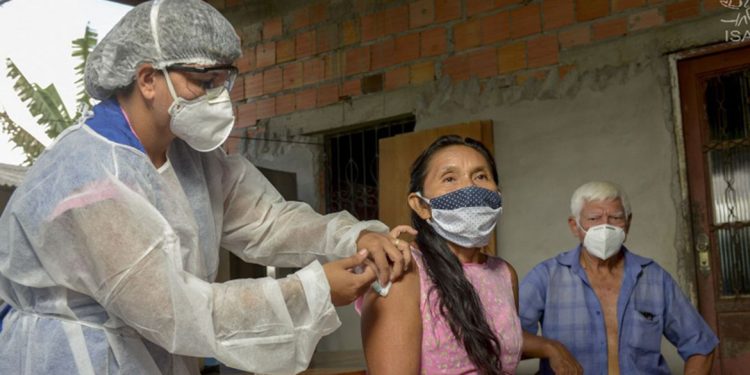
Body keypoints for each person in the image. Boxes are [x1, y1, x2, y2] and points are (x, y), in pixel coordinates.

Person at [0, 1, 412, 374]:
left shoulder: (189, 158)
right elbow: (176, 309)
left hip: (154, 355)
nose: (218, 99)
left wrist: (352, 235)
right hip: (78, 360)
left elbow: (267, 221)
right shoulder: (87, 180)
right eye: (204, 82)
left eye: (223, 82)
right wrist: (314, 291)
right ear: (147, 79)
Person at [358, 135, 581, 374]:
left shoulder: (504, 273)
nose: (470, 188)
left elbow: (493, 342)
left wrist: (550, 347)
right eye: (450, 178)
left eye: (481, 176)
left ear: (498, 195)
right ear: (422, 206)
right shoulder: (404, 272)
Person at [519, 181, 719, 375]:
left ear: (628, 223)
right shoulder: (547, 277)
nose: (605, 227)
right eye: (594, 218)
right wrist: (549, 347)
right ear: (575, 226)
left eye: (615, 217)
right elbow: (507, 341)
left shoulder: (654, 278)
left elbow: (701, 345)